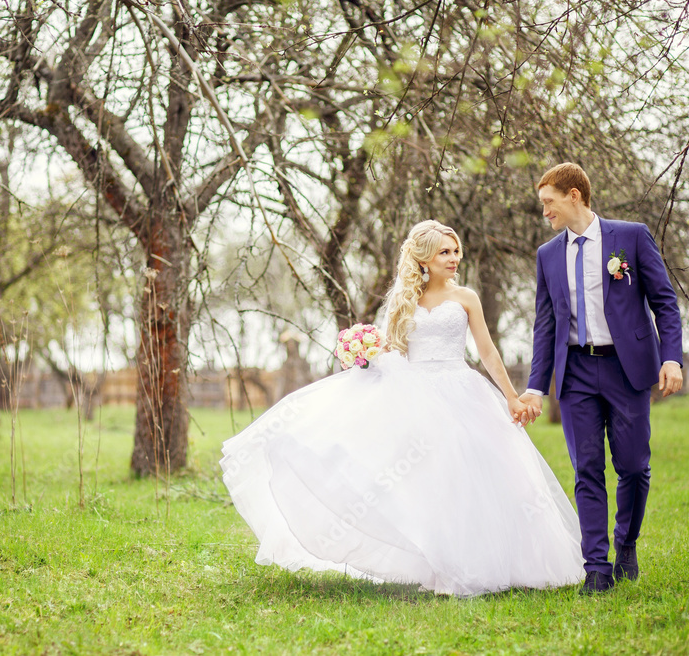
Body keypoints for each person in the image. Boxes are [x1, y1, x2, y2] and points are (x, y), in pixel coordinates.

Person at [220, 220, 584, 597]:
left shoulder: (466, 298)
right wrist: (365, 356)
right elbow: (395, 352)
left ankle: (485, 560)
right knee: (423, 480)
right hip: (414, 392)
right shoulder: (402, 299)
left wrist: (510, 395)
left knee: (466, 472)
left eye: (456, 251)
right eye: (445, 251)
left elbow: (488, 352)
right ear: (424, 258)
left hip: (460, 388)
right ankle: (434, 563)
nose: (454, 258)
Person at [519, 163, 684, 594]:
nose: (545, 212)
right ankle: (596, 566)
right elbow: (545, 325)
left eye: (549, 203)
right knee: (586, 468)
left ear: (574, 195)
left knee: (633, 465)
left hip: (626, 369)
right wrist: (537, 385)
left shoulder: (630, 237)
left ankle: (626, 543)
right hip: (575, 374)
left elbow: (665, 302)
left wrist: (672, 359)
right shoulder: (548, 255)